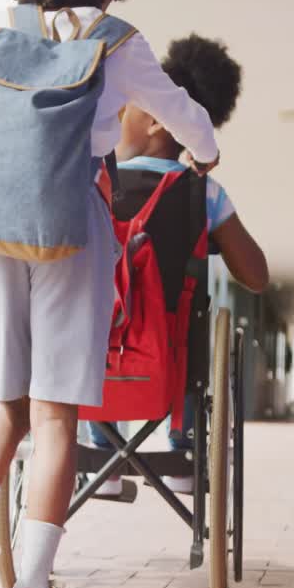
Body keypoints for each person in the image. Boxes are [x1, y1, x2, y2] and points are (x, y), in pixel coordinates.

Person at [0, 0, 222, 588]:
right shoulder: (117, 41)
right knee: (57, 412)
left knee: (9, 400)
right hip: (68, 218)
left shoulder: (9, 27)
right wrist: (204, 152)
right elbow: (179, 112)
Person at [90, 33, 269, 496]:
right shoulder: (202, 193)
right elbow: (256, 276)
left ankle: (101, 453)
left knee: (93, 313)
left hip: (93, 356)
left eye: (125, 107)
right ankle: (183, 445)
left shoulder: (93, 183)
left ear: (152, 118)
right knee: (186, 323)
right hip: (168, 364)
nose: (118, 116)